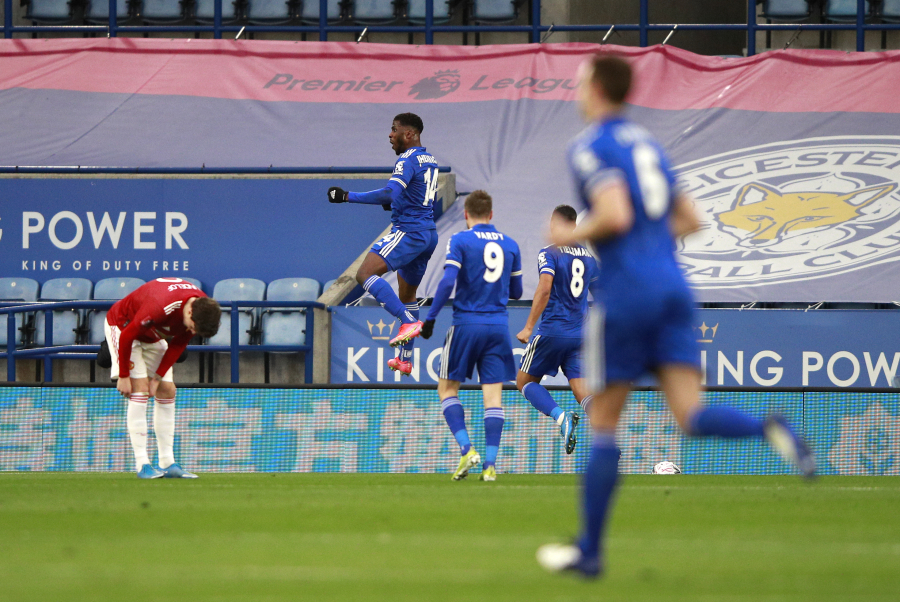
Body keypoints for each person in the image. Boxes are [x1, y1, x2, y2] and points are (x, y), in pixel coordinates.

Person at [536, 55, 816, 578]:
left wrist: (568, 235)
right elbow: (690, 218)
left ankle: (590, 552)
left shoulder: (592, 145)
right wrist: (649, 248)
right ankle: (768, 428)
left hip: (626, 295)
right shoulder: (649, 145)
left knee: (602, 423)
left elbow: (615, 213)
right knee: (690, 414)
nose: (576, 91)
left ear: (595, 89)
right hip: (673, 288)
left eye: (579, 83)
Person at [420, 190, 522, 482]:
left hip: (466, 324)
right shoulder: (511, 245)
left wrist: (430, 318)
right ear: (491, 214)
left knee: (447, 388)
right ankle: (490, 466)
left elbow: (448, 281)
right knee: (494, 398)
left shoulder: (460, 240)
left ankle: (467, 449)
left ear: (465, 215)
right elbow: (515, 292)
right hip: (498, 328)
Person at [327, 112, 439, 377]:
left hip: (409, 232)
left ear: (409, 134)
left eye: (394, 130)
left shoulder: (407, 159)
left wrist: (346, 196)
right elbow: (414, 195)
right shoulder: (429, 159)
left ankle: (407, 320)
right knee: (408, 296)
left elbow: (390, 192)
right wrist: (396, 203)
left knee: (364, 273)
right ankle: (405, 359)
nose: (390, 135)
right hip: (428, 234)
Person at [105, 277, 221, 479]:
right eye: (193, 328)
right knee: (139, 388)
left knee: (167, 390)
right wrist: (123, 375)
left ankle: (167, 463)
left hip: (153, 334)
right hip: (123, 326)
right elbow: (128, 335)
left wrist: (157, 378)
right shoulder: (161, 306)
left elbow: (178, 344)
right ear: (189, 312)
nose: (192, 332)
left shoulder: (201, 310)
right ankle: (142, 464)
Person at [515, 205, 598, 455]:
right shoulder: (589, 258)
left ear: (555, 224)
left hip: (553, 330)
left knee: (524, 382)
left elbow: (544, 287)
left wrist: (529, 326)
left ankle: (561, 418)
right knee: (582, 389)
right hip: (580, 335)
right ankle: (606, 438)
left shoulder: (549, 252)